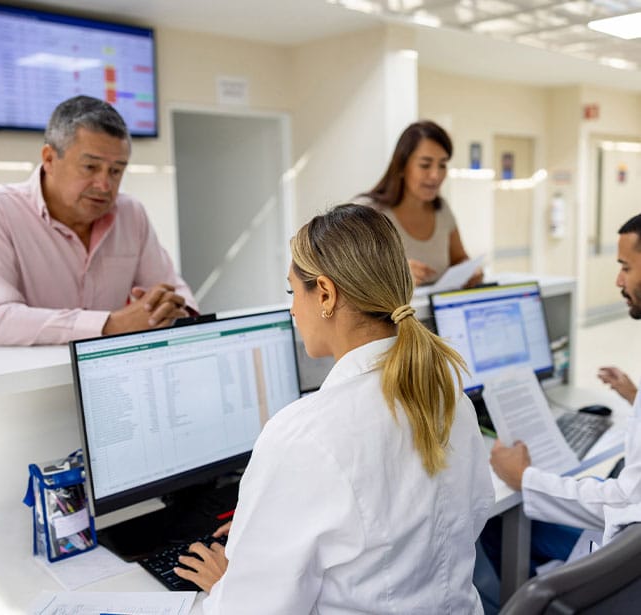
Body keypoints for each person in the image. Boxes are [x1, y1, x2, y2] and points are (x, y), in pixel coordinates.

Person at [173, 204, 494, 613]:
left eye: (293, 292)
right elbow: (459, 517)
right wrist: (273, 526)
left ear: (324, 293)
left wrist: (228, 584)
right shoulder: (449, 396)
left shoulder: (305, 436)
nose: (292, 309)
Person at [485, 212, 641, 579]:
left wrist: (524, 479)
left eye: (626, 267)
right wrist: (636, 397)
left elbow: (626, 502)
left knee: (497, 524)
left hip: (627, 548)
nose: (618, 280)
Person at [0, 95, 196, 346]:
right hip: (28, 383)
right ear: (49, 159)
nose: (104, 185)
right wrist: (112, 324)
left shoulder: (131, 214)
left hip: (109, 377)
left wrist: (171, 310)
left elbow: (173, 290)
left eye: (116, 171)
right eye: (90, 167)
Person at [357, 120, 483, 287]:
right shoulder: (369, 213)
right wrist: (393, 273)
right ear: (401, 166)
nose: (435, 175)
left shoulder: (442, 210)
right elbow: (348, 277)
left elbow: (459, 258)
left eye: (442, 165)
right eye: (425, 165)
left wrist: (469, 270)